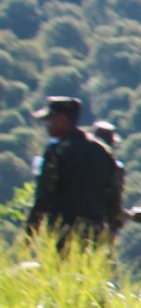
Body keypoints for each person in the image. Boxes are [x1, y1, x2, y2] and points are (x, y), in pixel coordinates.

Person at [22, 96, 121, 249]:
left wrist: (29, 234)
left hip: (64, 229)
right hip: (95, 231)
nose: (47, 125)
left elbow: (44, 197)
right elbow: (113, 198)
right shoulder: (102, 151)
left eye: (50, 119)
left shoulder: (57, 151)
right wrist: (111, 233)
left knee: (64, 271)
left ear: (62, 119)